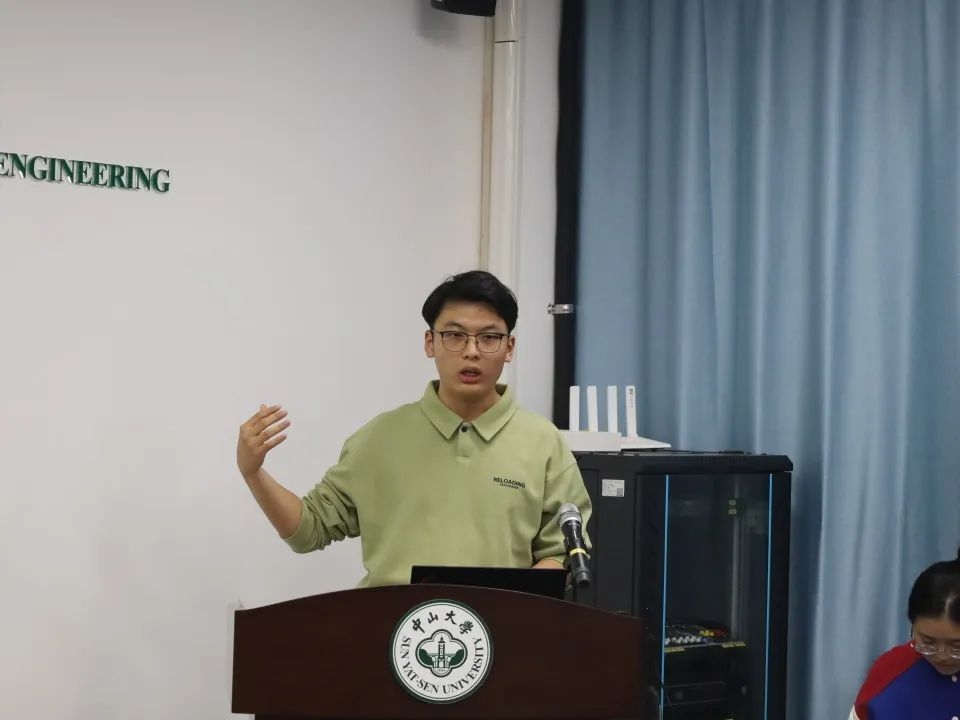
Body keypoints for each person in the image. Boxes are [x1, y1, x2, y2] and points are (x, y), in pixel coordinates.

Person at [235, 270, 593, 587]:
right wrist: (253, 472)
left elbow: (561, 552)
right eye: (454, 335)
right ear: (429, 342)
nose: (471, 351)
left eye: (488, 338)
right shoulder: (379, 439)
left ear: (509, 347)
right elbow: (308, 530)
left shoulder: (543, 442)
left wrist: (513, 604)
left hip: (495, 632)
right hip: (390, 630)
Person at [850, 544, 960, 719]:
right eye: (928, 642)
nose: (942, 655)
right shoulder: (890, 672)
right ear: (912, 625)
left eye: (956, 646)